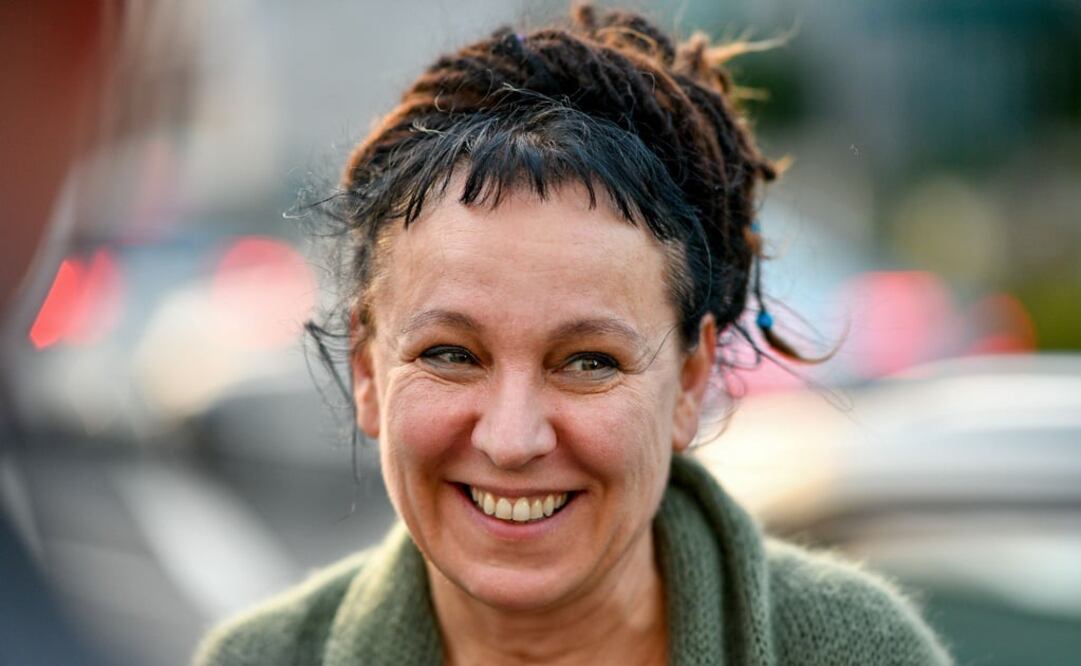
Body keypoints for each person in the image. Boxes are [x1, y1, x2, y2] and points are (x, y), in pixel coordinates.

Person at [194, 6, 952, 665]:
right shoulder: (260, 659)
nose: (512, 438)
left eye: (588, 362)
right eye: (450, 355)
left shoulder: (851, 650)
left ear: (689, 384)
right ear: (367, 373)